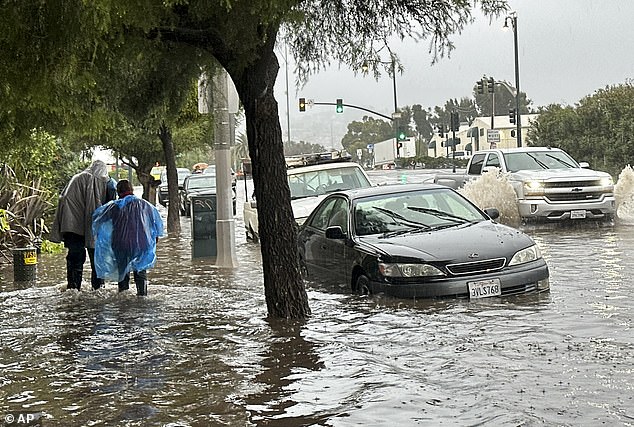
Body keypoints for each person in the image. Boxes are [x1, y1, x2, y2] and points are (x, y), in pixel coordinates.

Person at [50, 160, 117, 290]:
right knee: (96, 259)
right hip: (82, 225)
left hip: (70, 225)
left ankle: (74, 289)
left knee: (75, 258)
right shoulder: (100, 182)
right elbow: (101, 209)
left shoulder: (78, 178)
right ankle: (97, 289)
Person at [92, 180, 164, 296]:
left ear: (118, 192)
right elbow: (156, 225)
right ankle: (142, 296)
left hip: (121, 245)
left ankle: (124, 300)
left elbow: (98, 219)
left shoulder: (114, 206)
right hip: (141, 244)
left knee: (123, 274)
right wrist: (153, 240)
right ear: (132, 190)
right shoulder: (145, 205)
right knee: (140, 271)